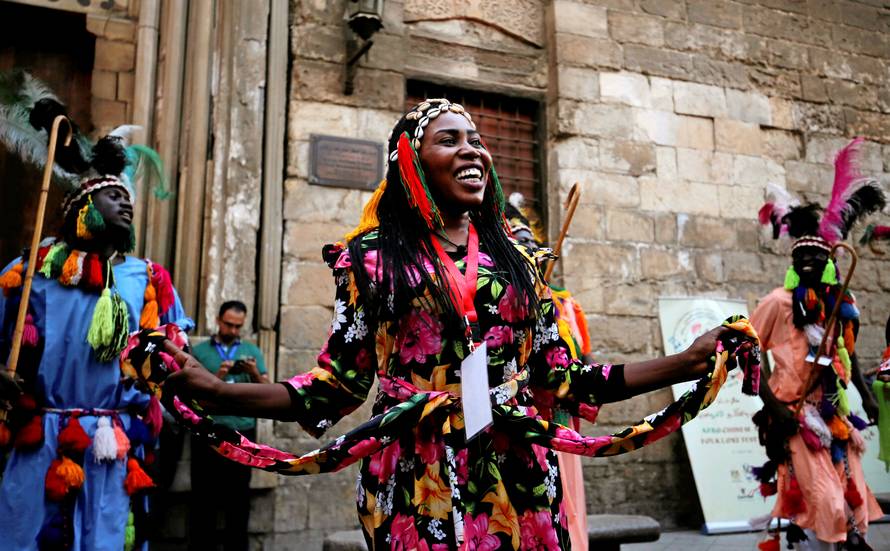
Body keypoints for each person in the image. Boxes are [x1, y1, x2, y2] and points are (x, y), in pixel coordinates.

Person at [167, 98, 753, 550]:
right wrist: (217, 391)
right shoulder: (370, 258)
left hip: (516, 466)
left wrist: (686, 361)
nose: (473, 150)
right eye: (449, 140)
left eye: (477, 140)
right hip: (415, 472)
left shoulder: (518, 262)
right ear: (410, 161)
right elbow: (336, 386)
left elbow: (566, 378)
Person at [0, 73, 192, 551]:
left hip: (113, 442)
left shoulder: (148, 278)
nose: (126, 205)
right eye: (114, 197)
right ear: (83, 206)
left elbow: (170, 354)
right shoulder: (30, 270)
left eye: (128, 198)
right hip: (37, 436)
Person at [752, 139, 884, 550]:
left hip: (834, 412)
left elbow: (849, 356)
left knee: (852, 499)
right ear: (792, 265)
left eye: (815, 260)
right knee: (823, 501)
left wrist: (866, 396)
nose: (807, 265)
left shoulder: (840, 305)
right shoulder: (776, 303)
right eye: (800, 260)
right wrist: (772, 407)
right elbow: (747, 353)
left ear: (828, 264)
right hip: (791, 415)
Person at [504, 192, 592, 550]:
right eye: (518, 241)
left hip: (559, 418)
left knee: (567, 506)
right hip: (519, 421)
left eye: (531, 241)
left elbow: (582, 360)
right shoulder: (503, 296)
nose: (528, 248)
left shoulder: (564, 301)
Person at [188, 300, 267, 551]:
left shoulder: (252, 352)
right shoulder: (199, 352)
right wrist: (217, 378)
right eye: (229, 325)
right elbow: (189, 395)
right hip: (207, 433)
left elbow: (267, 391)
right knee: (203, 498)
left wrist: (254, 373)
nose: (233, 331)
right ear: (218, 321)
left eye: (238, 327)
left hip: (242, 434)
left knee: (238, 500)